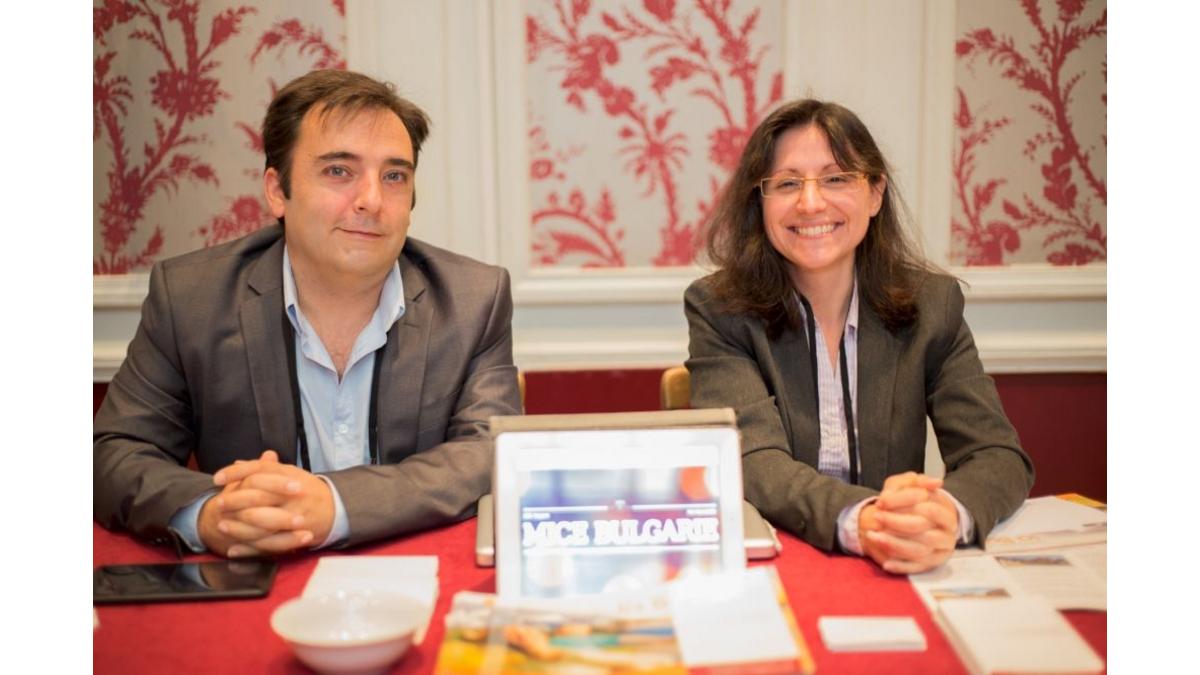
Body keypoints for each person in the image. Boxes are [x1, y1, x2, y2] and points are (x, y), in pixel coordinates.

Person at [94, 69, 521, 558]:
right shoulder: (191, 298)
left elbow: (489, 451)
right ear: (278, 191)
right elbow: (115, 453)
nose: (372, 200)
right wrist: (212, 514)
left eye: (394, 176)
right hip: (256, 574)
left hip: (410, 572)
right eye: (339, 171)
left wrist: (335, 505)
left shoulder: (472, 300)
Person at [685, 99, 1034, 574]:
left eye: (836, 179)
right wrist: (863, 519)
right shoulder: (720, 310)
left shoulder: (933, 305)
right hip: (779, 565)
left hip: (897, 563)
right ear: (759, 203)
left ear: (874, 194)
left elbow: (996, 454)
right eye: (787, 183)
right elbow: (754, 461)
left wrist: (943, 516)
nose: (811, 202)